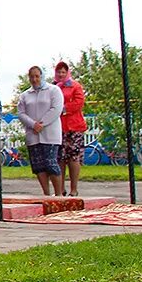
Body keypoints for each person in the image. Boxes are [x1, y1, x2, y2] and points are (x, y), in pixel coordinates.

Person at [16, 66, 65, 196]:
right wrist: (33, 124)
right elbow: (21, 113)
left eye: (37, 76)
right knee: (38, 165)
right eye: (32, 77)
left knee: (50, 163)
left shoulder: (53, 90)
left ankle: (59, 194)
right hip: (33, 134)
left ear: (42, 76)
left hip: (50, 133)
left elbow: (56, 109)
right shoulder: (25, 95)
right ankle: (46, 194)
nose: (34, 79)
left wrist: (42, 123)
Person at [54, 61, 87, 197]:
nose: (61, 74)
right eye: (58, 72)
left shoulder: (75, 86)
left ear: (67, 73)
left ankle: (74, 189)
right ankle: (60, 189)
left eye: (63, 72)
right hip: (58, 127)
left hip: (74, 127)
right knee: (60, 158)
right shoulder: (53, 87)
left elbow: (79, 102)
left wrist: (64, 108)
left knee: (73, 157)